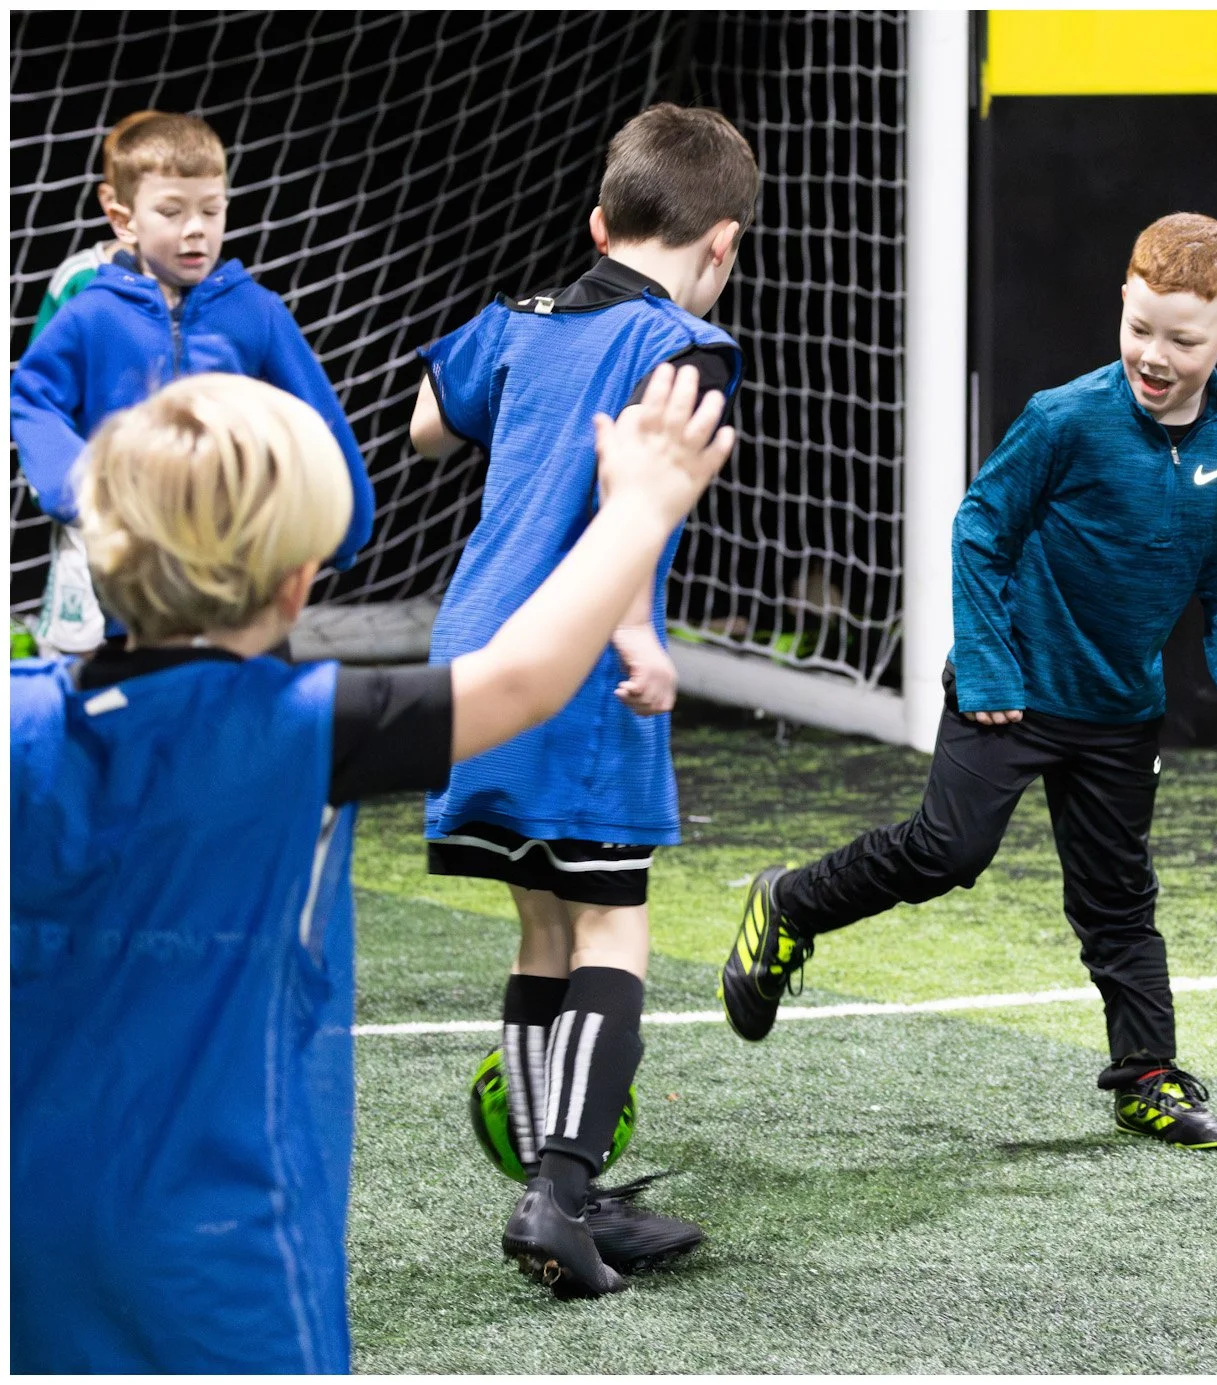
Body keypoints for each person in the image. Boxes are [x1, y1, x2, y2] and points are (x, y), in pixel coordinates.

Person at [11, 366, 737, 1370]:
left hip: (26, 1244)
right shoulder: (300, 727)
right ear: (297, 577)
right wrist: (641, 509)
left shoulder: (18, 718)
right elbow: (525, 675)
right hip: (227, 1256)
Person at [720, 212, 1217, 1149]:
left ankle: (1147, 1077)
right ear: (1123, 305)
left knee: (1118, 899)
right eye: (1138, 326)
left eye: (1181, 340)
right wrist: (984, 662)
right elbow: (980, 529)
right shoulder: (1064, 419)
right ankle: (790, 905)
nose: (1153, 354)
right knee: (948, 853)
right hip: (1009, 690)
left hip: (1118, 710)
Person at [408, 103, 758, 1294]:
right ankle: (557, 1192)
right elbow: (629, 490)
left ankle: (575, 1189)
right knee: (614, 926)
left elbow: (425, 428)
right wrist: (636, 632)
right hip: (578, 661)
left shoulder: (517, 318)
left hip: (468, 647)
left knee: (543, 925)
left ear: (600, 223)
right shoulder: (683, 346)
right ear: (722, 245)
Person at [10, 111, 376, 656]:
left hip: (244, 594)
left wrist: (347, 522)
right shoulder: (93, 314)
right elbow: (32, 397)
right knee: (140, 727)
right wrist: (87, 492)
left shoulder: (256, 313)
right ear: (121, 216)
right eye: (171, 211)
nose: (195, 229)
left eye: (211, 209)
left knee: (245, 726)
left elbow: (315, 417)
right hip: (132, 604)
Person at [28, 111, 166, 344]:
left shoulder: (205, 275)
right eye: (168, 208)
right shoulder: (78, 279)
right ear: (111, 202)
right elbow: (42, 373)